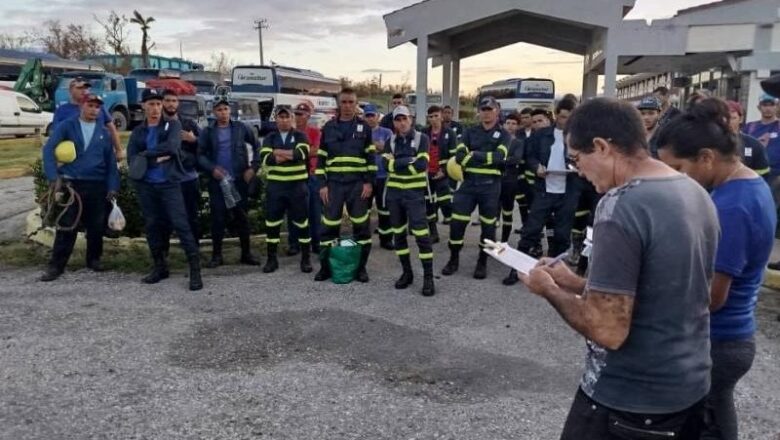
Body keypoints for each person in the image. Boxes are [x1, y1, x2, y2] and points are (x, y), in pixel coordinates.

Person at [519, 97, 718, 439]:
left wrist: (548, 289)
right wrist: (578, 283)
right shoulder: (693, 191)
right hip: (689, 386)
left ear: (601, 146)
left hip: (629, 401)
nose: (578, 171)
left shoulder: (621, 205)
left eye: (577, 159)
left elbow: (607, 329)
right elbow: (661, 289)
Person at [656, 98, 775, 440]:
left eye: (679, 169)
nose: (676, 179)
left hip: (719, 340)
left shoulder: (733, 206)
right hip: (729, 338)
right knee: (715, 419)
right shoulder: (747, 186)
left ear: (706, 157)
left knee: (707, 425)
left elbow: (712, 297)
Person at [127, 89, 202, 291]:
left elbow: (171, 148)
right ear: (143, 106)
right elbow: (132, 160)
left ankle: (195, 270)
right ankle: (160, 267)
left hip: (169, 184)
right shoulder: (138, 132)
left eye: (158, 104)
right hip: (147, 186)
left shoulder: (173, 124)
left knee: (181, 224)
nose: (156, 108)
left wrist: (145, 156)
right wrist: (152, 160)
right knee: (153, 227)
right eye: (151, 104)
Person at [39, 94, 120, 281]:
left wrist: (112, 186)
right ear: (81, 106)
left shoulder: (104, 132)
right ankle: (56, 266)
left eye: (97, 107)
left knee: (96, 226)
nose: (94, 110)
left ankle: (94, 260)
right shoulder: (67, 126)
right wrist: (53, 177)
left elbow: (111, 163)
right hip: (72, 184)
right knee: (67, 226)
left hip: (97, 185)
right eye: (90, 105)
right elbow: (49, 149)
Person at [504, 99, 580, 285]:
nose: (566, 121)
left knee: (562, 235)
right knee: (530, 231)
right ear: (556, 116)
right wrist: (536, 166)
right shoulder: (541, 136)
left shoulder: (581, 138)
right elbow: (529, 156)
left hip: (568, 192)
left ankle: (552, 270)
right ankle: (517, 269)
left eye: (570, 117)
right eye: (563, 117)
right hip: (545, 191)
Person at [441, 96, 509, 280]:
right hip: (468, 185)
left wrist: (475, 154)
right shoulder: (469, 132)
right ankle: (453, 259)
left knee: (488, 227)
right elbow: (460, 156)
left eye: (490, 109)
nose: (486, 113)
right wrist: (483, 157)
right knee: (456, 223)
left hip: (490, 187)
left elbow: (499, 158)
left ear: (497, 111)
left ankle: (482, 262)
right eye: (483, 109)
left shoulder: (504, 135)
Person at [314, 88, 376, 283]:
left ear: (356, 104)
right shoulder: (329, 128)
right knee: (329, 228)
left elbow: (371, 158)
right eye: (344, 102)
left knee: (361, 228)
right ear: (338, 105)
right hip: (333, 185)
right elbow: (321, 159)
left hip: (357, 185)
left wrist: (368, 182)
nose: (348, 106)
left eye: (351, 102)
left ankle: (360, 268)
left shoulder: (364, 127)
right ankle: (326, 268)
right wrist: (322, 184)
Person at [197, 97, 261, 269]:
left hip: (239, 181)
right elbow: (200, 155)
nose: (223, 113)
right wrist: (212, 169)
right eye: (219, 110)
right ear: (213, 112)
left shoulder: (241, 128)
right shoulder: (208, 131)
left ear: (230, 111)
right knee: (218, 219)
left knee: (242, 219)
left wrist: (253, 168)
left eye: (225, 109)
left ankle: (246, 254)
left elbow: (257, 147)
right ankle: (217, 256)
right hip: (218, 183)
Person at [381, 105, 435, 296]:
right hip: (395, 195)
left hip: (414, 194)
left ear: (410, 119)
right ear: (394, 122)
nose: (401, 123)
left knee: (421, 236)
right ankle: (407, 273)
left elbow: (421, 165)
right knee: (398, 235)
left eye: (404, 119)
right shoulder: (391, 141)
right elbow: (386, 165)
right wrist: (406, 161)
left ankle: (428, 277)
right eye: (397, 119)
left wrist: (398, 163)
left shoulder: (422, 138)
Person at [259, 106, 312, 273]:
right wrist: (288, 154)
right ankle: (271, 260)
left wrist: (278, 152)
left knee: (302, 223)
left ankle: (305, 259)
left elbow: (301, 154)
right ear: (276, 120)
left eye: (287, 117)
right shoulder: (270, 136)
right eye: (280, 117)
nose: (284, 120)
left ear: (292, 119)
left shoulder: (300, 135)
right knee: (272, 224)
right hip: (276, 188)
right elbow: (266, 158)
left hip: (297, 187)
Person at [161, 89, 201, 246]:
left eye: (174, 101)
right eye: (168, 100)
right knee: (165, 219)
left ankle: (194, 252)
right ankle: (163, 260)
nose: (171, 104)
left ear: (178, 103)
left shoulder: (188, 124)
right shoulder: (158, 124)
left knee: (191, 217)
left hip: (188, 179)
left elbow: (205, 147)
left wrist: (194, 139)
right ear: (162, 102)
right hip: (166, 180)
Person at [52, 76, 123, 161]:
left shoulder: (99, 107)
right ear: (71, 90)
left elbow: (112, 129)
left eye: (86, 88)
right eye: (79, 88)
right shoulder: (62, 110)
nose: (84, 90)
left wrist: (118, 150)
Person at [286, 102, 323, 254]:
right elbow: (282, 151)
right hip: (294, 176)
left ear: (308, 116)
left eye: (301, 114)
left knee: (315, 212)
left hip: (312, 176)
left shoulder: (314, 132)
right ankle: (294, 244)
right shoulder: (289, 132)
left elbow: (316, 150)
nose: (298, 117)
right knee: (294, 212)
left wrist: (294, 154)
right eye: (296, 114)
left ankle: (316, 243)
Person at [422, 105, 455, 242]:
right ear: (428, 118)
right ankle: (434, 234)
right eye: (431, 117)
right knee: (429, 205)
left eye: (436, 116)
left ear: (441, 116)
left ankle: (455, 231)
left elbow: (454, 157)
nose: (434, 119)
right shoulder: (424, 133)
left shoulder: (450, 133)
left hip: (443, 175)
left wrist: (445, 171)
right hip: (427, 174)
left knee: (446, 203)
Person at [364, 104, 394, 250]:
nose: (370, 118)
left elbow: (387, 149)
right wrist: (377, 146)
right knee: (364, 209)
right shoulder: (360, 131)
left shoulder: (386, 131)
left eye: (372, 115)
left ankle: (386, 239)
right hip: (366, 178)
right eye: (367, 116)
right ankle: (363, 239)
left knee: (384, 209)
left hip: (383, 176)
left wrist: (371, 145)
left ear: (378, 116)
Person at [726, 100, 770, 180]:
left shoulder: (754, 145)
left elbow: (763, 175)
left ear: (741, 119)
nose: (729, 122)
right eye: (725, 118)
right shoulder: (711, 145)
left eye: (733, 118)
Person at [498, 113, 525, 243]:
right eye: (508, 123)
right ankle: (490, 242)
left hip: (510, 183)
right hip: (495, 181)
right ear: (503, 125)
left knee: (507, 212)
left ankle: (504, 242)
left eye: (514, 123)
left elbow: (516, 159)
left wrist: (499, 159)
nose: (510, 126)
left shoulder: (518, 143)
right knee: (492, 213)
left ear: (518, 126)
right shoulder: (497, 140)